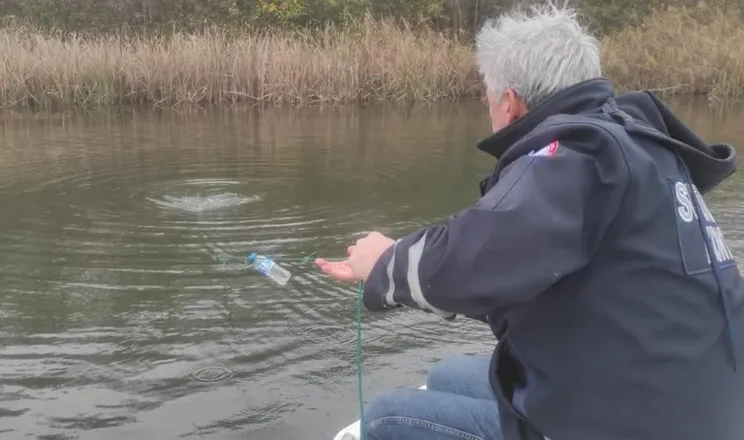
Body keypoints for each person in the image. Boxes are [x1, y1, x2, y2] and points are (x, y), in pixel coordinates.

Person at [316, 3, 744, 440]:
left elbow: (475, 261)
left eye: (488, 98)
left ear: (509, 101)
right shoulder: (640, 145)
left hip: (640, 422)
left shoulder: (578, 157)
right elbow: (512, 267)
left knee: (386, 417)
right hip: (689, 399)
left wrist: (385, 262)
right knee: (448, 374)